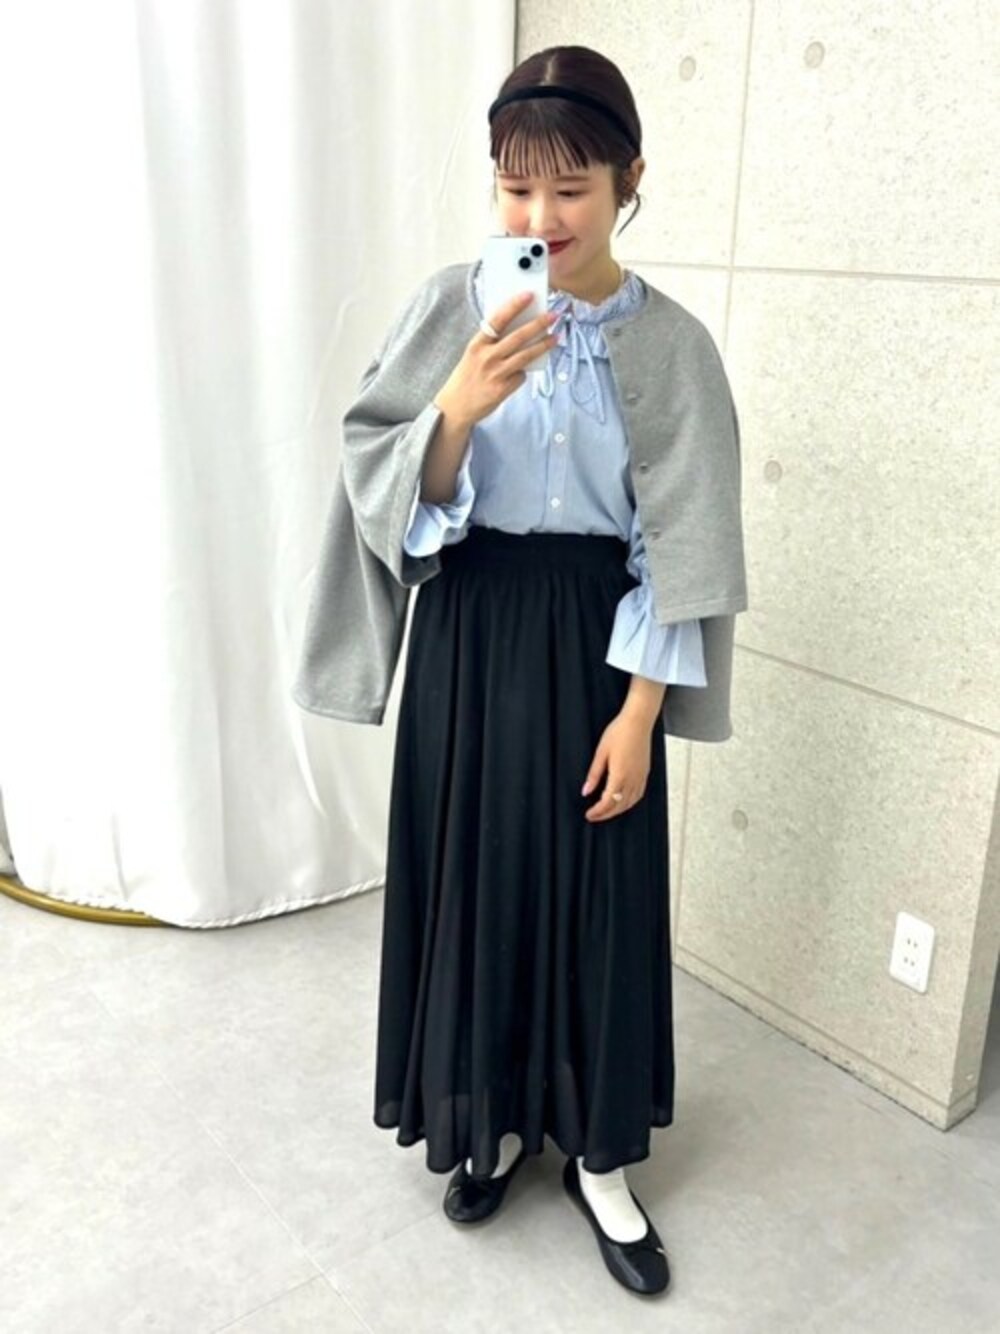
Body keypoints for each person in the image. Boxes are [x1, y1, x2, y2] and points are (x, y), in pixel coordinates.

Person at [296, 45, 749, 1300]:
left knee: (600, 897)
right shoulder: (453, 308)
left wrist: (641, 712)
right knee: (478, 881)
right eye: (514, 188)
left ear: (629, 182)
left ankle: (600, 1158)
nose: (539, 218)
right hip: (470, 633)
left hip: (604, 648)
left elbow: (682, 541)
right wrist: (455, 406)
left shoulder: (674, 345)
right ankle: (488, 1119)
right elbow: (386, 482)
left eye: (571, 190)